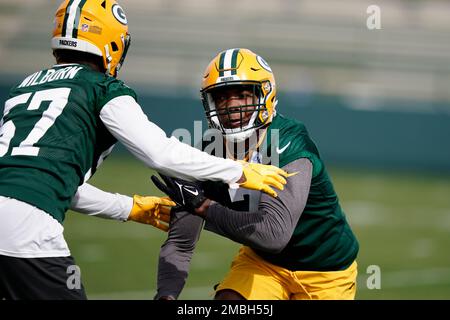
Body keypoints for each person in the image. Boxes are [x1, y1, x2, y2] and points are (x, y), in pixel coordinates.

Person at [0, 2, 288, 300]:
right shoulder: (103, 88)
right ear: (112, 42)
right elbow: (159, 153)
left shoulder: (24, 88)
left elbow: (46, 182)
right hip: (27, 232)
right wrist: (239, 171)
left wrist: (131, 208)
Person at [153, 48, 359, 300]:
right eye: (221, 97)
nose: (232, 106)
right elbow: (181, 241)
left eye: (242, 95)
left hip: (326, 272)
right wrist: (167, 295)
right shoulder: (209, 150)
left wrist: (205, 207)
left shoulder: (289, 142)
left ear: (265, 95)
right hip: (264, 264)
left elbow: (274, 234)